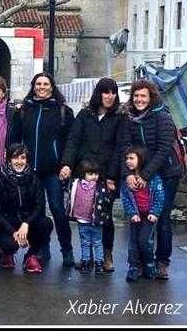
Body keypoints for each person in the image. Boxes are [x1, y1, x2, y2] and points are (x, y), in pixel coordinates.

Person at [118, 79, 181, 280]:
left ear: (151, 97)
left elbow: (164, 149)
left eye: (143, 96)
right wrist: (128, 174)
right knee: (138, 218)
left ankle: (162, 261)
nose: (139, 100)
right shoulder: (130, 119)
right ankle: (142, 262)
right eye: (136, 96)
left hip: (165, 173)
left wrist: (145, 175)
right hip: (141, 174)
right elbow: (126, 148)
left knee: (160, 218)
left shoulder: (162, 116)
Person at [59, 77, 123, 272]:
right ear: (98, 93)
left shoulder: (120, 118)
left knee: (105, 216)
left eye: (113, 92)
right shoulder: (85, 115)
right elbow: (73, 140)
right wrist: (67, 164)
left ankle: (106, 254)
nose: (109, 96)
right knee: (84, 216)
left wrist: (112, 175)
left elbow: (120, 147)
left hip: (105, 176)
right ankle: (87, 256)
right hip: (85, 173)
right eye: (106, 92)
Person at [12, 72, 75, 266]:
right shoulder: (24, 110)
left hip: (53, 169)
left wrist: (67, 163)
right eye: (38, 84)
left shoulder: (63, 111)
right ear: (33, 86)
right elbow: (15, 140)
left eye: (45, 84)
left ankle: (67, 250)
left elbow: (70, 141)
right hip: (30, 170)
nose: (41, 87)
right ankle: (42, 248)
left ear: (51, 86)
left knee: (57, 209)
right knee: (35, 212)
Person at [0, 143, 53, 274]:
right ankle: (8, 255)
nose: (19, 162)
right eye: (15, 158)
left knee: (46, 223)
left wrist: (26, 223)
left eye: (23, 158)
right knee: (9, 245)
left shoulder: (34, 179)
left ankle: (31, 256)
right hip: (7, 224)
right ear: (9, 160)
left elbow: (39, 205)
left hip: (27, 222)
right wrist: (13, 231)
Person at [121, 146, 164, 282]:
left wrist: (154, 212)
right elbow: (126, 198)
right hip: (136, 215)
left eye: (132, 158)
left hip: (149, 215)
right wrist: (132, 213)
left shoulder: (154, 179)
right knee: (133, 242)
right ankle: (133, 266)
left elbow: (159, 196)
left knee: (145, 241)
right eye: (127, 158)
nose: (128, 161)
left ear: (141, 159)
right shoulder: (127, 180)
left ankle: (149, 263)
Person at [63, 160, 113, 274]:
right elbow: (66, 188)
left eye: (96, 174)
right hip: (82, 219)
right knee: (85, 242)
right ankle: (86, 261)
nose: (94, 177)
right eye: (90, 174)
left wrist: (109, 191)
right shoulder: (76, 183)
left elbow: (107, 201)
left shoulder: (100, 186)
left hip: (96, 220)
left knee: (97, 242)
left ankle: (99, 262)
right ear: (83, 174)